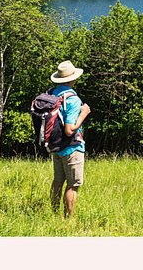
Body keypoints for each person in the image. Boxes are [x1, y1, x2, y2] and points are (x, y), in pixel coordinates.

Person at [48, 60, 91, 218]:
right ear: (73, 78)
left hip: (56, 147)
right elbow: (69, 129)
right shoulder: (72, 99)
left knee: (57, 182)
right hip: (71, 147)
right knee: (73, 185)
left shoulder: (53, 93)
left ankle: (53, 215)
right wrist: (84, 113)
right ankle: (68, 221)